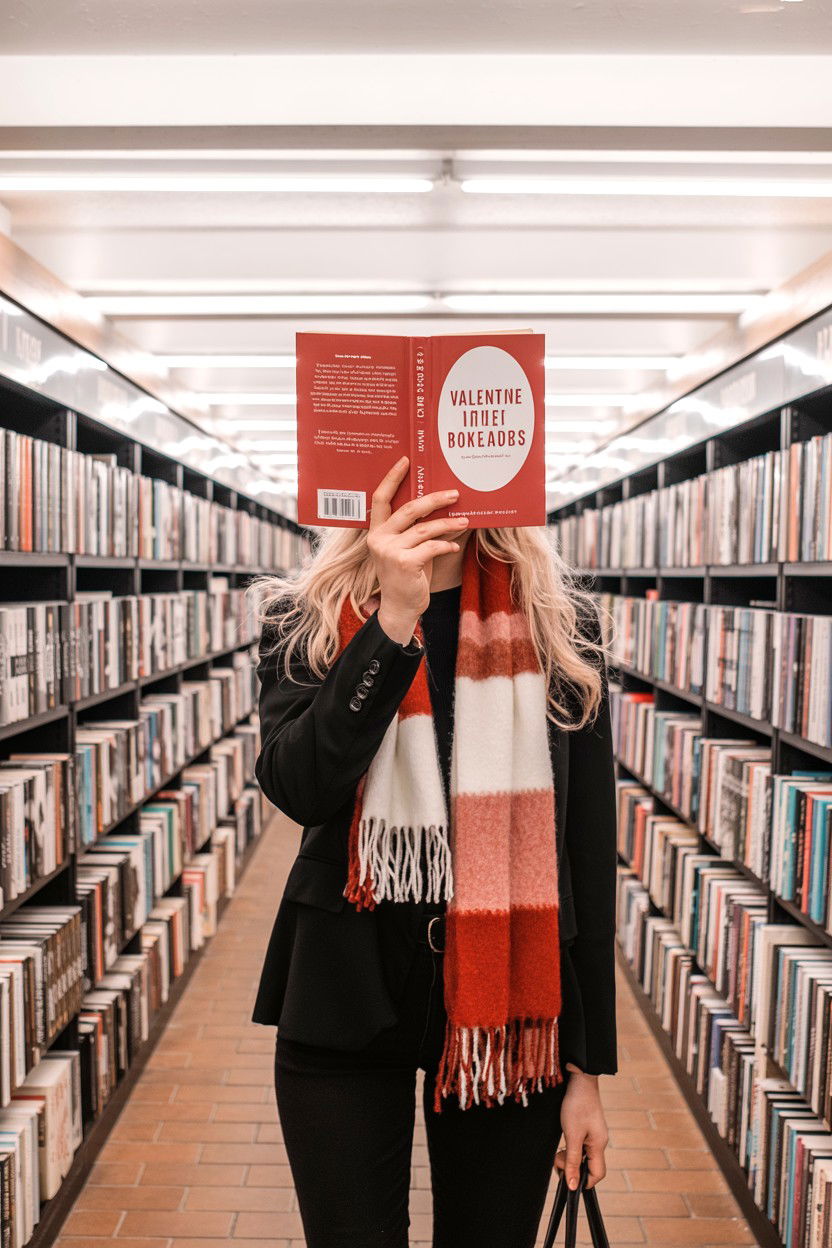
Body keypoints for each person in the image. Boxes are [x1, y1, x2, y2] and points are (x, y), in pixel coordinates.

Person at [251, 455, 618, 1248]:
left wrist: (586, 1069)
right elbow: (299, 787)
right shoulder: (304, 614)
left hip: (508, 1011)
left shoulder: (560, 624)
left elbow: (587, 858)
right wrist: (390, 622)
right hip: (345, 993)